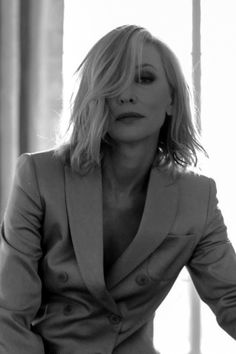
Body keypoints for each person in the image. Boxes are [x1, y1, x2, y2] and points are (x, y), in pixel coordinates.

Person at [0, 24, 236, 354]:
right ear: (94, 96)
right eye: (113, 80)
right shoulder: (38, 176)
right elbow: (9, 315)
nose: (126, 94)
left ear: (171, 99)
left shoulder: (198, 196)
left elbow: (231, 299)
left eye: (144, 78)